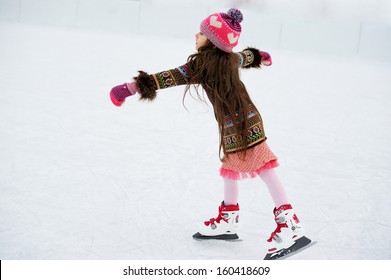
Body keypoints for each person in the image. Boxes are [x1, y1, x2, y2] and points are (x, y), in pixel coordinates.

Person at [110, 8, 311, 259]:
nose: (197, 35)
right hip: (236, 122)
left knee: (264, 167)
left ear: (213, 41)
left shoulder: (201, 65)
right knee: (230, 166)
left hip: (243, 123)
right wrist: (261, 56)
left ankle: (290, 223)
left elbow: (167, 77)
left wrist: (127, 89)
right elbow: (245, 57)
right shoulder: (229, 59)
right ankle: (229, 218)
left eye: (202, 33)